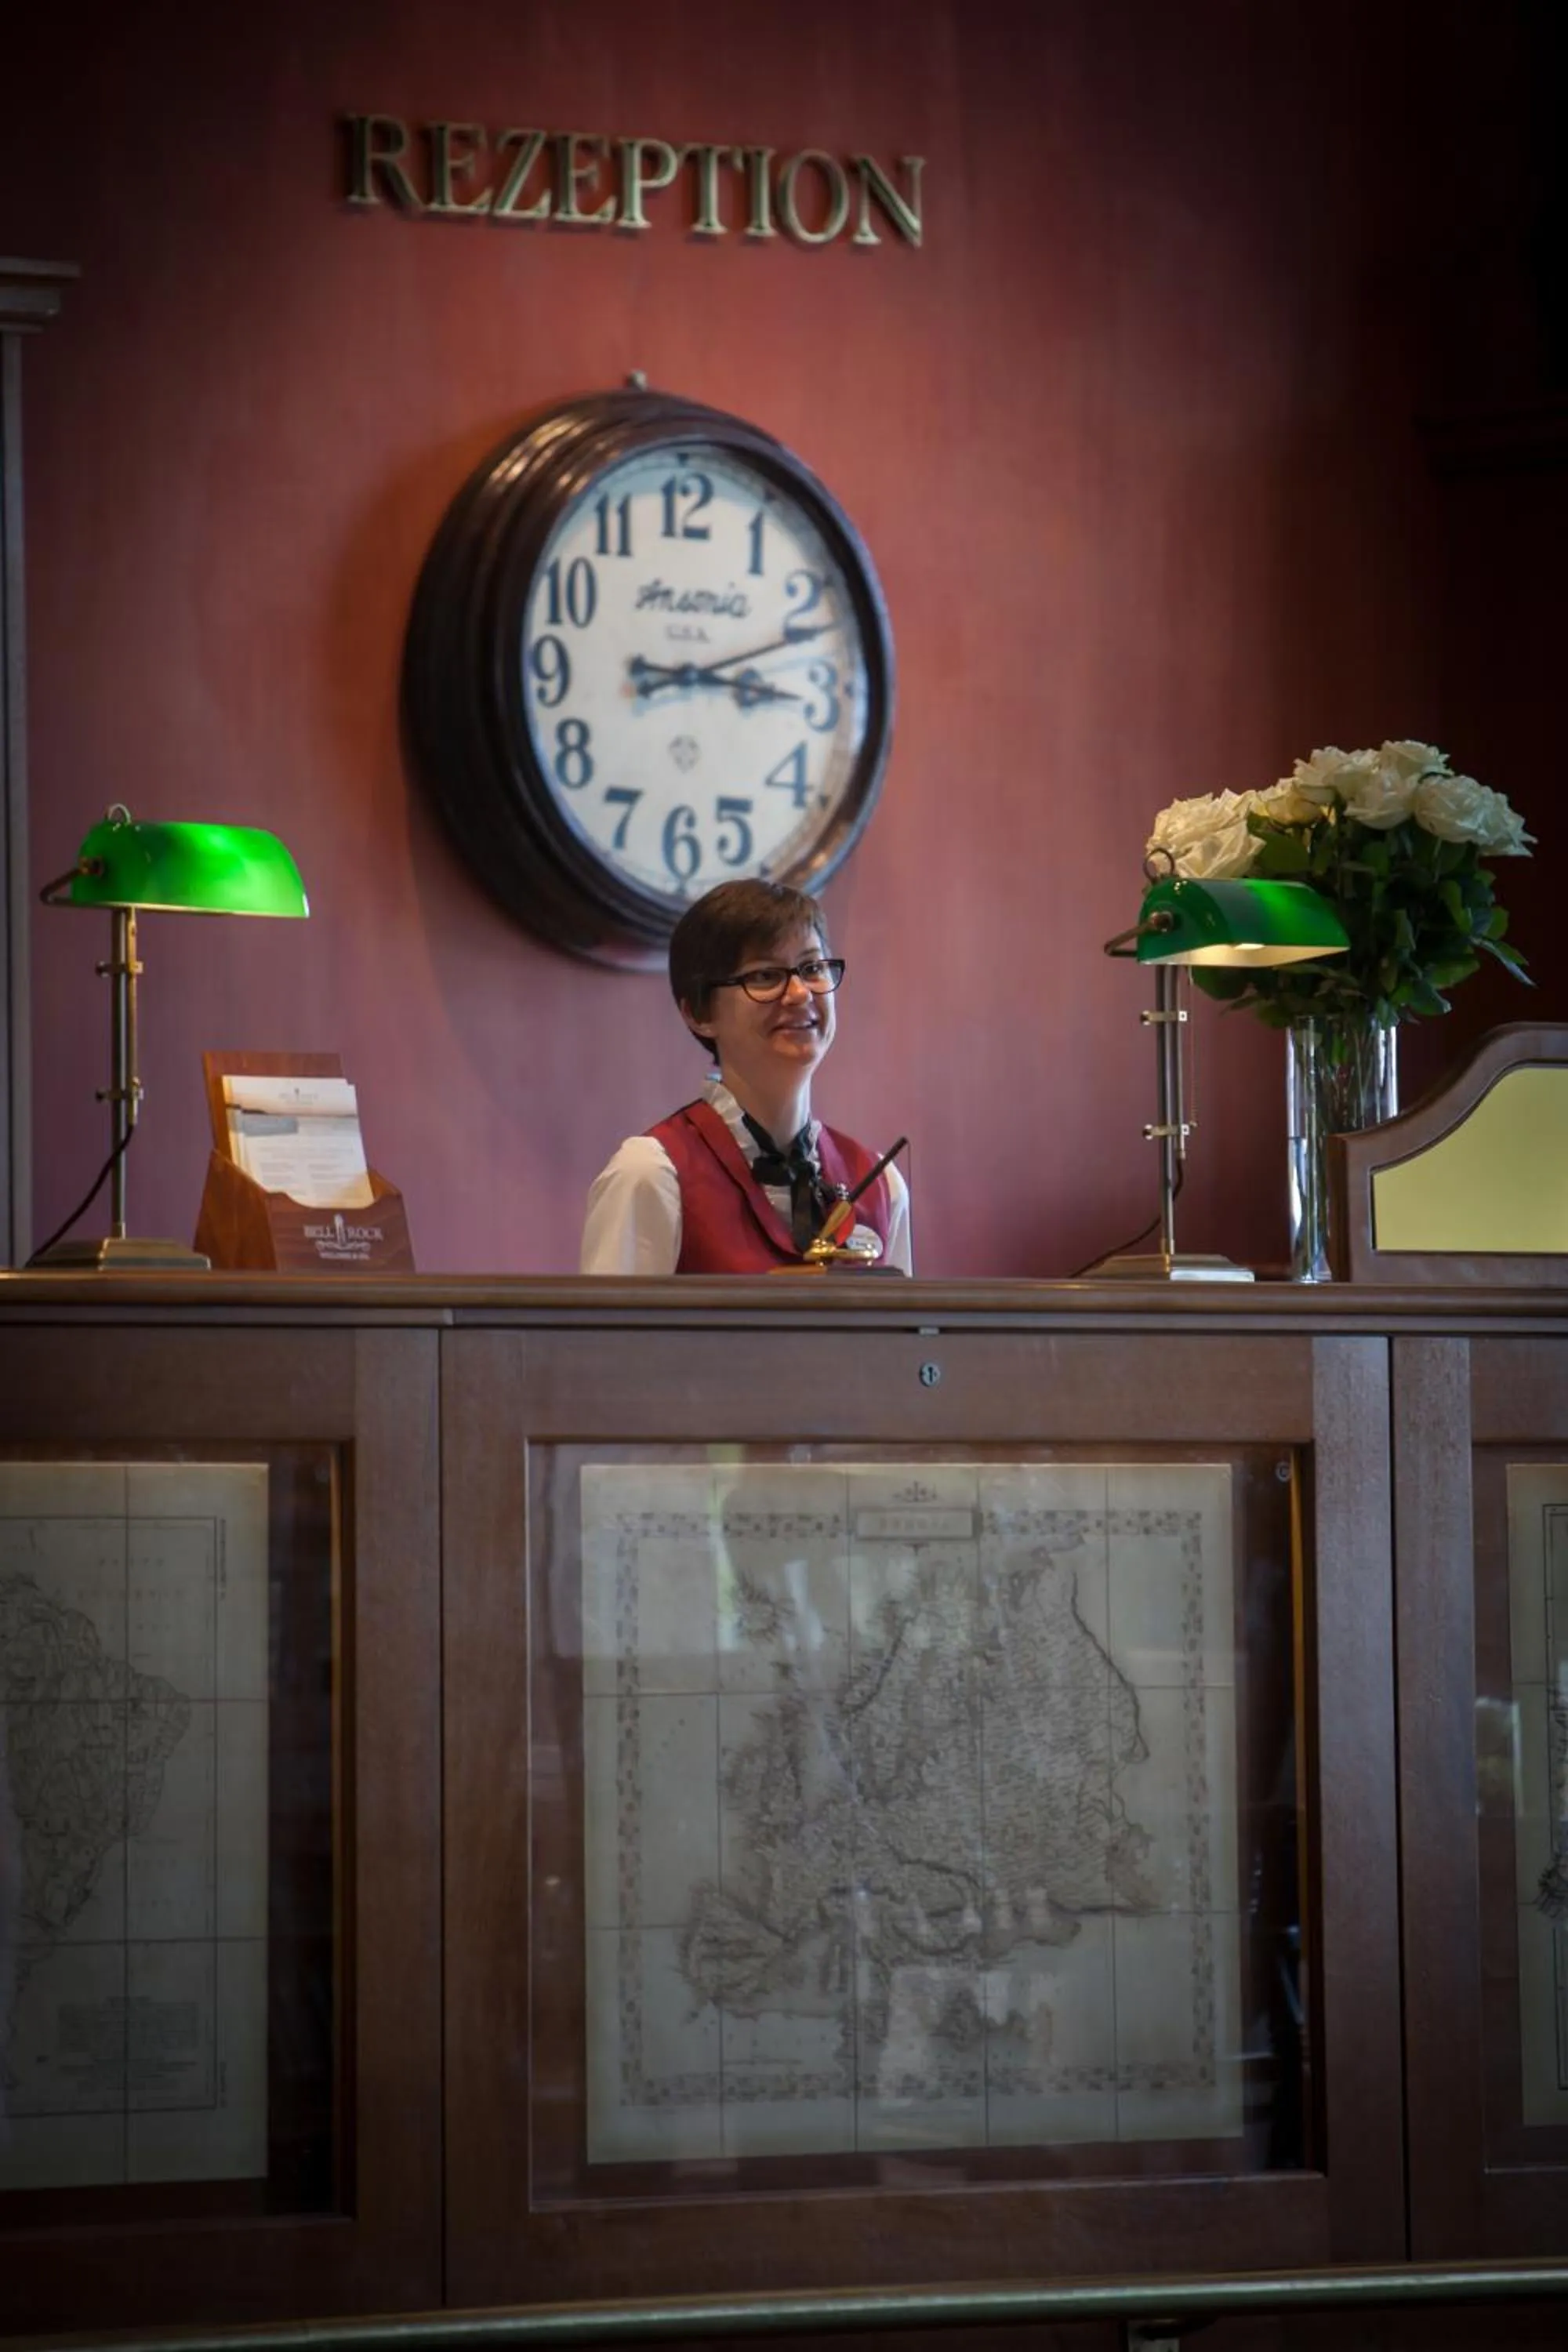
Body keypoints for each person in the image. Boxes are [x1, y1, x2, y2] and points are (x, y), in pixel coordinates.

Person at [580, 879, 912, 1274]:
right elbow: (613, 1319)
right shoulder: (651, 1175)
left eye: (812, 968)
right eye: (765, 976)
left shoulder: (882, 1184)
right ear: (699, 1014)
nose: (800, 993)